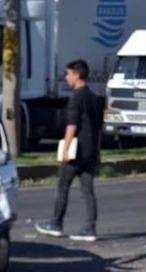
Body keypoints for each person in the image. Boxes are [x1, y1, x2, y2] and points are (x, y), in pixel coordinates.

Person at [36, 59, 102, 242]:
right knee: (87, 190)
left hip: (77, 150)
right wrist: (97, 150)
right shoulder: (94, 97)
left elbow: (72, 126)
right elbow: (98, 127)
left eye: (68, 74)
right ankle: (90, 227)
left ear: (77, 75)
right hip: (90, 150)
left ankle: (56, 223)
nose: (66, 77)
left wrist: (65, 149)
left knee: (63, 186)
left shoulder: (76, 98)